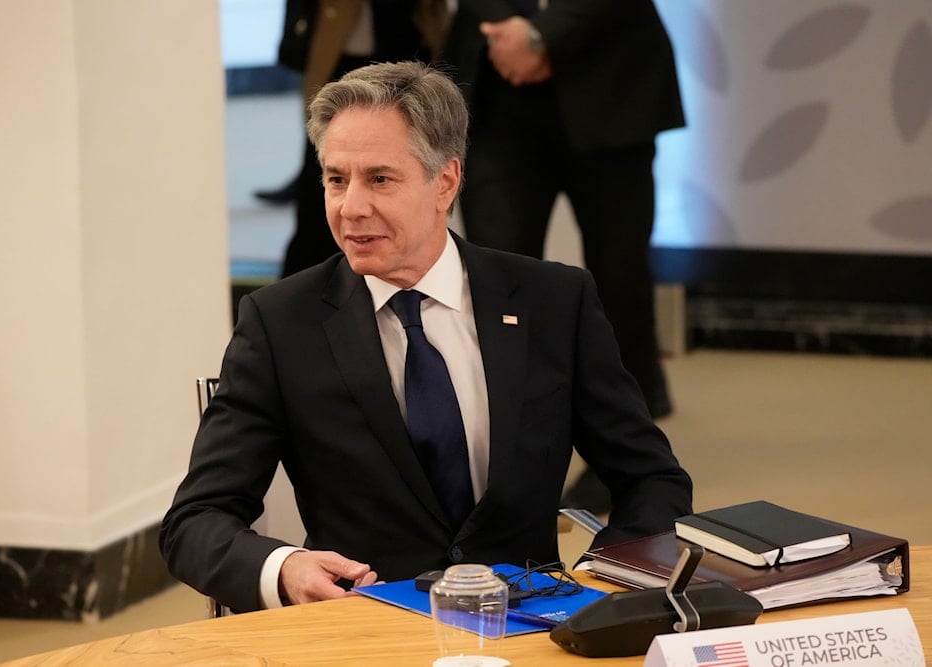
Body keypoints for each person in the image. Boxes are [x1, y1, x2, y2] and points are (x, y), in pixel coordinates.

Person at [160, 61, 692, 613]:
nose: (350, 208)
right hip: (365, 631)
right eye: (336, 179)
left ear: (446, 183)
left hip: (532, 627)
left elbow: (652, 478)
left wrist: (604, 584)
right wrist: (284, 567)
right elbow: (195, 521)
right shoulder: (279, 323)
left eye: (380, 179)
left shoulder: (553, 302)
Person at [440, 0, 686, 513]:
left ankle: (620, 453)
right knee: (492, 276)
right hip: (494, 84)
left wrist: (543, 34)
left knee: (619, 280)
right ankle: (505, 448)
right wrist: (507, 32)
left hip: (612, 77)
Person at [261, 0, 449, 278]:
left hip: (406, 46)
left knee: (405, 180)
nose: (355, 208)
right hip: (341, 50)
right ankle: (299, 300)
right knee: (318, 203)